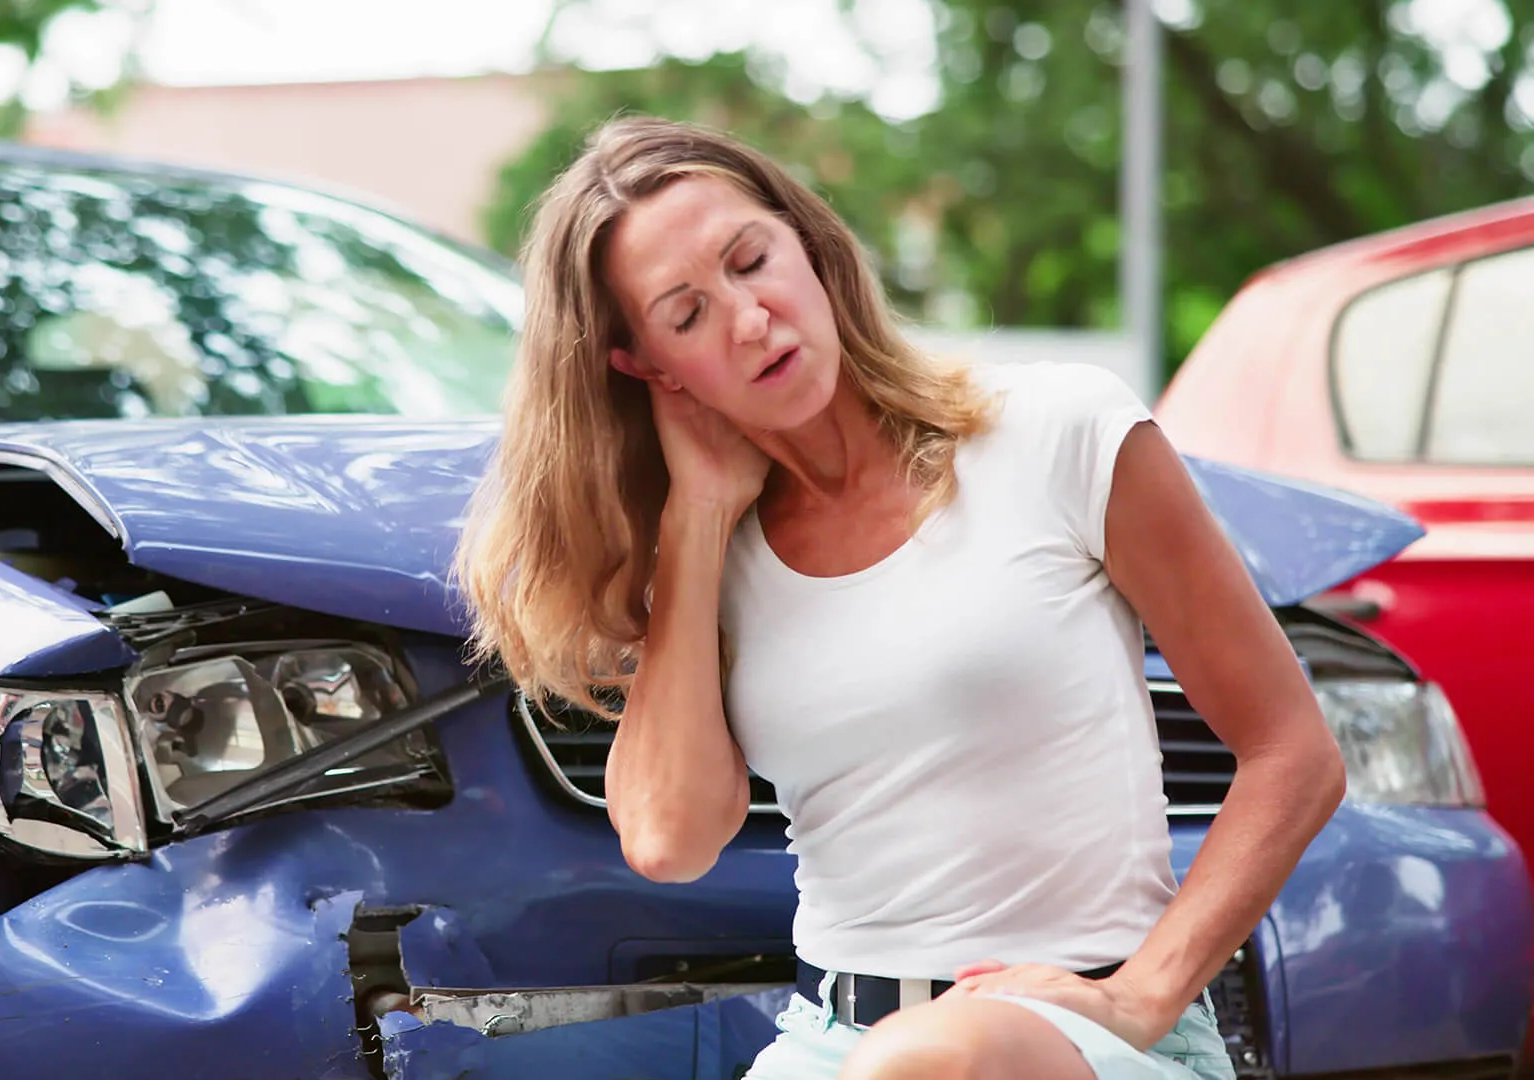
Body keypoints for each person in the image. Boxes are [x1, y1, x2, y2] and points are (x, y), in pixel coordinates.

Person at [452, 115, 1345, 1080]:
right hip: (835, 1041)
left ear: (809, 244)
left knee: (927, 1065)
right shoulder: (712, 563)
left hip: (1093, 1041)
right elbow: (669, 839)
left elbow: (1294, 751)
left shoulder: (1058, 432)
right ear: (651, 369)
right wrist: (699, 517)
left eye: (752, 261)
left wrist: (1144, 993)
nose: (750, 319)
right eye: (687, 314)